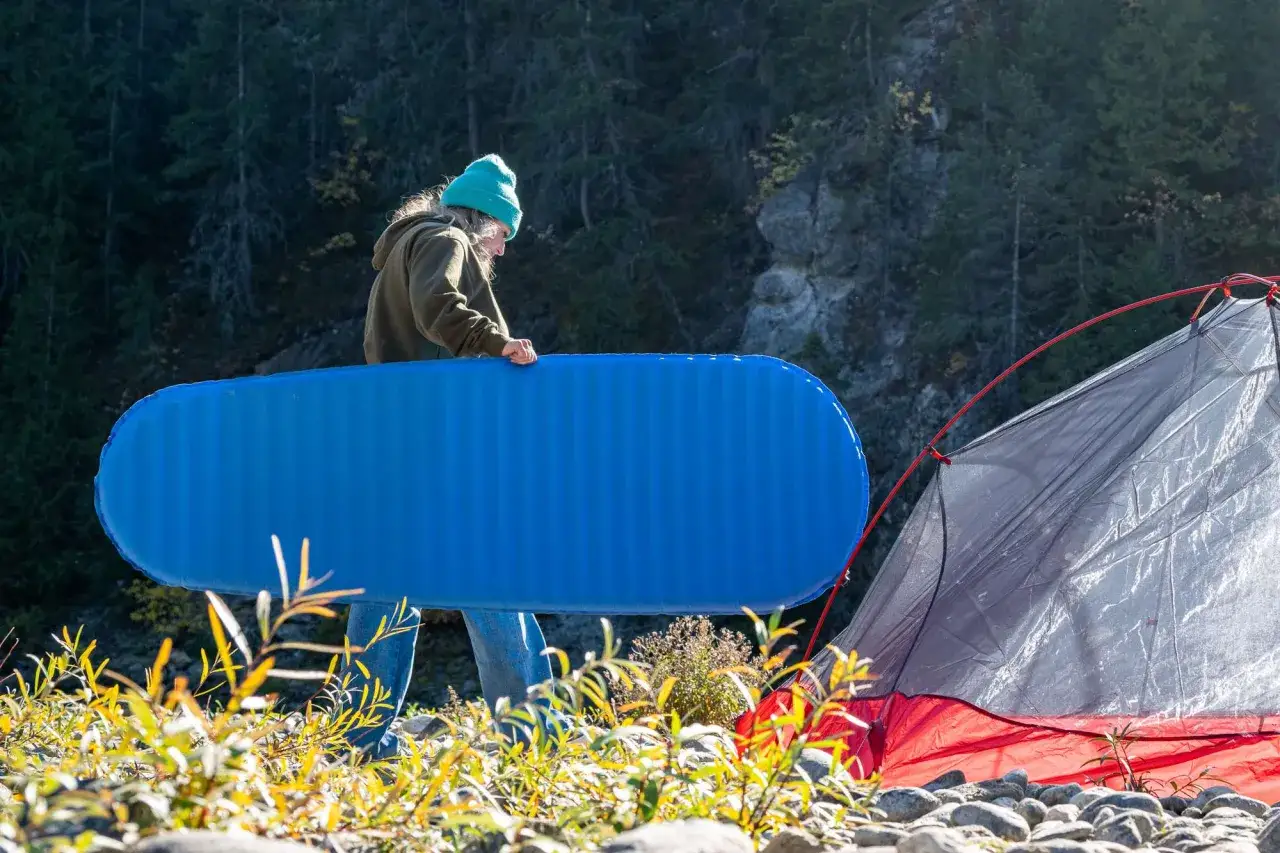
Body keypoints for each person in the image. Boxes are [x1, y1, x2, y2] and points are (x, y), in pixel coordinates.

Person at [341, 154, 556, 760]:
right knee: (489, 579)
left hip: (396, 440)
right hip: (445, 440)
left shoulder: (408, 244)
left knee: (386, 586)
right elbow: (439, 307)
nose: (502, 249)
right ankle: (529, 737)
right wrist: (499, 343)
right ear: (482, 216)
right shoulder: (446, 240)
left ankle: (360, 736)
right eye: (503, 233)